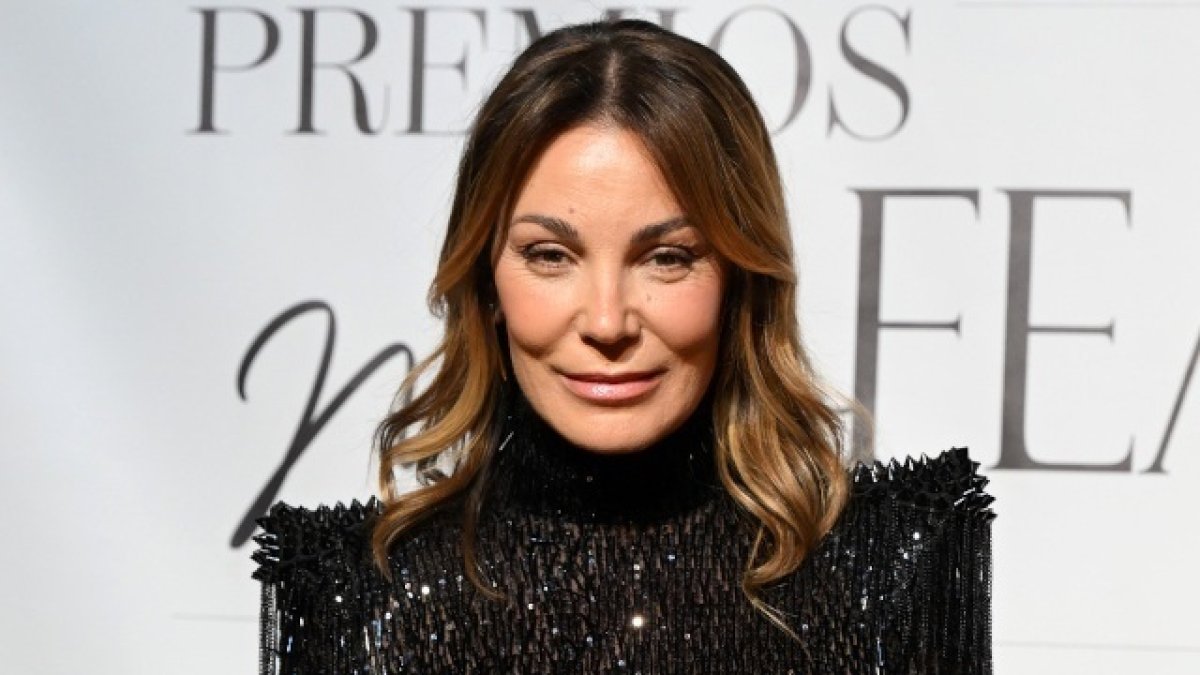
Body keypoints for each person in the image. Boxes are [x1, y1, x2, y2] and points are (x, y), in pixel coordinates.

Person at [251, 19, 994, 674]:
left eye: (667, 257)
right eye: (550, 255)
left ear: (741, 279)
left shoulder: (894, 567)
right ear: (485, 281)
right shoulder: (355, 595)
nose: (607, 322)